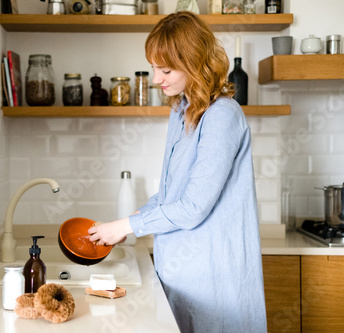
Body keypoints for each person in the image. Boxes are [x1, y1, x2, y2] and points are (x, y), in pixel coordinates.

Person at [88, 11, 267, 332]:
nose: (156, 78)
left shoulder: (222, 116)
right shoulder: (182, 110)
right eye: (155, 67)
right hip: (181, 274)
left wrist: (126, 226)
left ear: (195, 63)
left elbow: (193, 208)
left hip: (214, 278)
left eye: (165, 69)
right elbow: (173, 192)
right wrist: (132, 219)